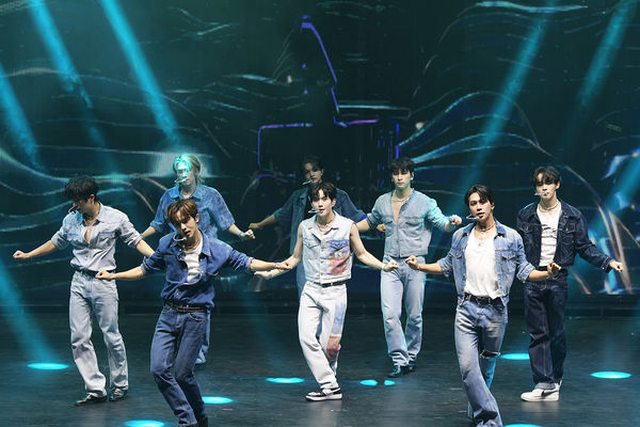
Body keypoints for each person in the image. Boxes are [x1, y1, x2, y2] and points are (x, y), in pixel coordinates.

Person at [97, 199, 287, 427]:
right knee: (158, 370)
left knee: (183, 375)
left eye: (186, 221)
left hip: (196, 317)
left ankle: (200, 416)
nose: (183, 227)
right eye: (177, 224)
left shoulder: (217, 248)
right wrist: (113, 276)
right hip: (168, 315)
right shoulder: (167, 244)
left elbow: (247, 262)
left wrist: (275, 265)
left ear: (196, 218)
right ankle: (187, 420)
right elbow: (144, 269)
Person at [405, 184, 560, 427]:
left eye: (482, 202)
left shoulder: (511, 237)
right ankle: (489, 420)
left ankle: (476, 407)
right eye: (473, 204)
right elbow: (446, 265)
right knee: (468, 368)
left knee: (486, 367)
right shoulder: (460, 236)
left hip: (495, 312)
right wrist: (420, 266)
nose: (478, 207)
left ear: (491, 204)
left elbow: (524, 270)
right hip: (466, 310)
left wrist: (547, 274)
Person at [13, 176, 154, 405]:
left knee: (111, 335)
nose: (75, 205)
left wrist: (156, 257)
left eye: (78, 200)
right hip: (79, 281)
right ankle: (95, 389)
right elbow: (56, 241)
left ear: (91, 198)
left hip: (103, 281)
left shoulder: (115, 217)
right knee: (79, 337)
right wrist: (29, 254)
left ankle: (120, 384)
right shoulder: (71, 219)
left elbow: (135, 241)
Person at [256, 182, 398, 401]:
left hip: (336, 292)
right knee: (306, 337)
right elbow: (294, 258)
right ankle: (330, 385)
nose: (320, 203)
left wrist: (383, 266)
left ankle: (329, 386)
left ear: (333, 201)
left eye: (324, 199)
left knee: (329, 346)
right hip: (311, 290)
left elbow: (362, 254)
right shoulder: (305, 227)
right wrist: (270, 274)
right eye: (316, 199)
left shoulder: (347, 226)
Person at [516, 166, 624, 402]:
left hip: (557, 279)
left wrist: (607, 262)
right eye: (539, 184)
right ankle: (543, 383)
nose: (544, 187)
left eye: (548, 182)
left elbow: (584, 247)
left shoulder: (572, 215)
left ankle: (555, 379)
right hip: (533, 277)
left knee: (556, 332)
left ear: (557, 185)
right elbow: (517, 248)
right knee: (537, 333)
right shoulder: (526, 214)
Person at [141, 154, 255, 366]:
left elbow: (225, 221)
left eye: (186, 170)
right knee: (176, 296)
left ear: (195, 171)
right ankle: (177, 346)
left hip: (204, 255)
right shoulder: (169, 196)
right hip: (178, 254)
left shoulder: (210, 195)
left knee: (199, 300)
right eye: (179, 171)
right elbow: (158, 223)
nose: (182, 174)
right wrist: (138, 237)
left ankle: (197, 354)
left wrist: (241, 234)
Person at [356, 157, 462, 377]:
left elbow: (442, 224)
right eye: (396, 173)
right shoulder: (382, 201)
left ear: (411, 175)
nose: (400, 177)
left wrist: (452, 223)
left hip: (415, 264)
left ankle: (411, 356)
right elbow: (371, 221)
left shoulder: (424, 202)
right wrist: (347, 228)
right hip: (390, 264)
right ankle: (399, 360)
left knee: (414, 315)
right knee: (390, 314)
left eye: (404, 172)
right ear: (391, 177)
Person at [249, 155, 366, 296]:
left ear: (322, 171)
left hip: (331, 254)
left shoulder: (338, 195)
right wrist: (260, 224)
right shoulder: (298, 197)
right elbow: (281, 213)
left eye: (315, 170)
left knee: (331, 295)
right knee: (305, 295)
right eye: (307, 171)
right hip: (305, 254)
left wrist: (374, 223)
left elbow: (356, 215)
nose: (311, 174)